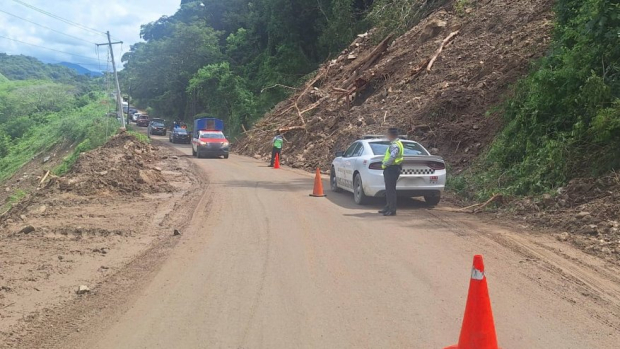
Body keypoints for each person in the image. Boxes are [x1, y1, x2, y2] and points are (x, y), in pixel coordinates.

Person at [379, 128, 404, 216]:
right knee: (388, 189)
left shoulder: (395, 145)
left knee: (391, 190)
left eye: (388, 134)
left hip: (392, 168)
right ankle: (388, 206)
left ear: (392, 135)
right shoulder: (397, 143)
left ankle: (392, 210)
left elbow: (392, 156)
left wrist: (385, 164)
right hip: (393, 168)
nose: (387, 136)